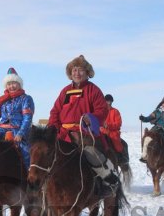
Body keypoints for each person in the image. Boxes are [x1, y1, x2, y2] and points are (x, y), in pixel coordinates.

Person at [47, 55, 119, 197]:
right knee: (45, 159)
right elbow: (55, 111)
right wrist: (53, 128)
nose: (77, 73)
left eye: (80, 70)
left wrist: (91, 118)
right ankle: (44, 194)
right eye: (74, 70)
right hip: (63, 134)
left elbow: (102, 110)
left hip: (85, 133)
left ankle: (107, 182)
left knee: (92, 154)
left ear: (87, 73)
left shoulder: (94, 90)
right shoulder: (65, 91)